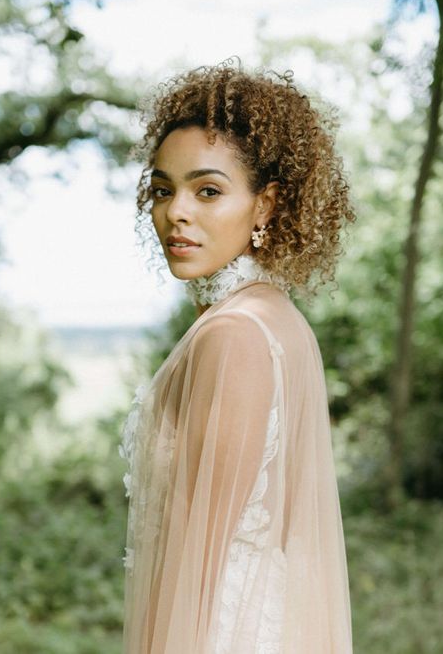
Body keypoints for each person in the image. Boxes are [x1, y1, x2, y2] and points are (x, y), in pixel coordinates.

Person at [118, 60, 355, 653]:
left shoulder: (236, 334)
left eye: (208, 191)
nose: (176, 212)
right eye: (163, 189)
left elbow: (201, 558)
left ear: (267, 205)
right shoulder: (275, 315)